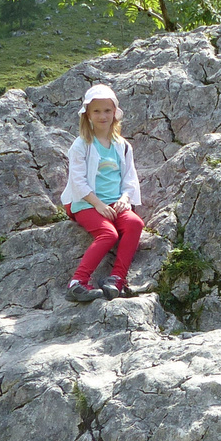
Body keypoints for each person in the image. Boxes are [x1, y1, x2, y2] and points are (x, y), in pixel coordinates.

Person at [60, 83, 145, 302]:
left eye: (107, 110)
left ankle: (117, 279)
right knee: (109, 234)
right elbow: (77, 180)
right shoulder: (81, 145)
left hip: (114, 203)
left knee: (135, 224)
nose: (102, 116)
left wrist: (125, 198)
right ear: (87, 115)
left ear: (115, 113)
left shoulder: (122, 146)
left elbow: (129, 177)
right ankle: (77, 282)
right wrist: (97, 204)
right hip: (86, 203)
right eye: (96, 111)